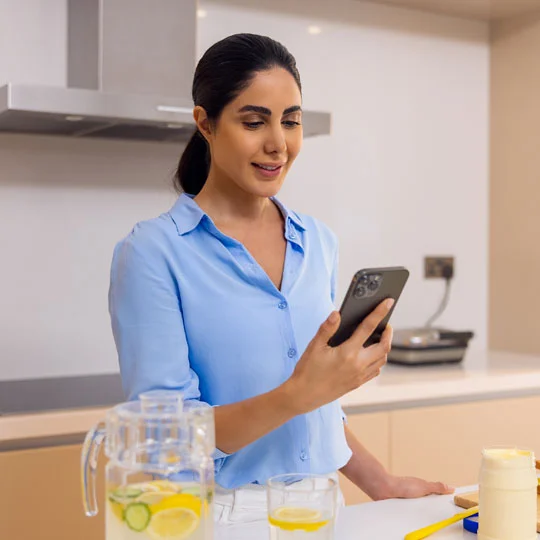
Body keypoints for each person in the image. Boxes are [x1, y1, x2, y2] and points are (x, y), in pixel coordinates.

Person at [109, 33, 453, 524]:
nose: (278, 144)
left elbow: (314, 411)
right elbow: (169, 438)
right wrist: (300, 392)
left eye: (291, 121)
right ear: (205, 124)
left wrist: (382, 482)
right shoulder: (152, 253)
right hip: (217, 517)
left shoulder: (317, 241)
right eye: (254, 122)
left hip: (320, 508)